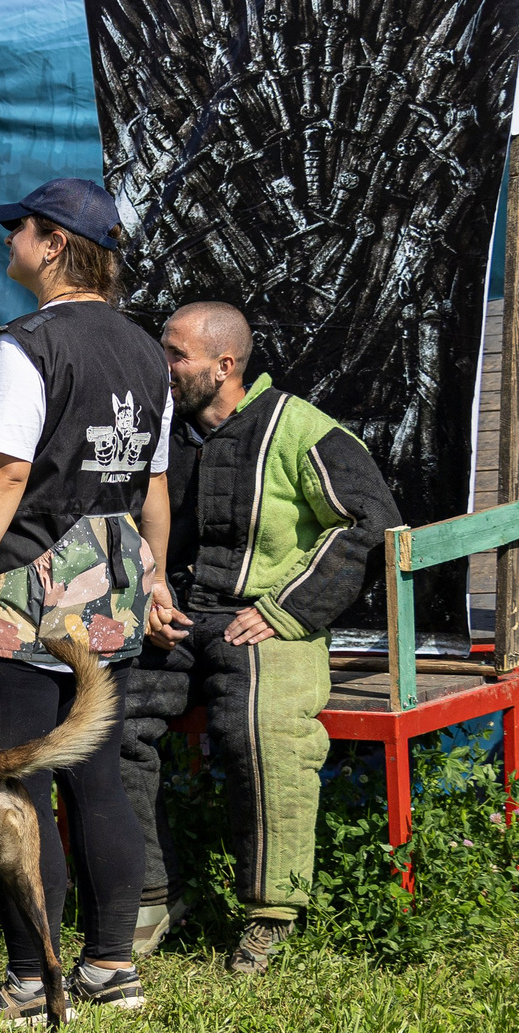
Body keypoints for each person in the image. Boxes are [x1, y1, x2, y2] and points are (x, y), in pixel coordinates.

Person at [0, 178, 182, 1021]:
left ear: (54, 246)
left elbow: (2, 473)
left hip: (24, 587)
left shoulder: (24, 347)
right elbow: (153, 488)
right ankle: (112, 970)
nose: (9, 243)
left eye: (21, 231)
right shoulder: (148, 352)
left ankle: (33, 985)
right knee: (97, 781)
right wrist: (155, 577)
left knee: (18, 789)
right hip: (107, 585)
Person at [118, 301, 396, 975]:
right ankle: (154, 894)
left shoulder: (300, 429)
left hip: (264, 618)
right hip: (178, 616)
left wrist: (287, 607)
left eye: (176, 355)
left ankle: (272, 912)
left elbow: (371, 521)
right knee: (112, 722)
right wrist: (148, 594)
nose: (164, 366)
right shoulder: (164, 433)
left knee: (264, 728)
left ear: (224, 365)